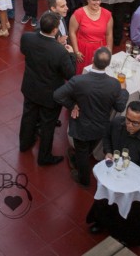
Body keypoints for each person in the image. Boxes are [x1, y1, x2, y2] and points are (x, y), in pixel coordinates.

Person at [85, 101, 140, 244]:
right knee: (104, 201)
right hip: (113, 175)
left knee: (130, 212)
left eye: (135, 123)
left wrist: (130, 176)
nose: (129, 125)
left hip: (130, 185)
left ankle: (125, 236)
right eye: (128, 119)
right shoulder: (117, 123)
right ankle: (101, 222)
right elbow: (106, 137)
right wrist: (108, 152)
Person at [53, 48, 128, 187]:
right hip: (100, 127)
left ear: (93, 59)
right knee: (87, 150)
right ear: (108, 64)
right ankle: (78, 160)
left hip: (81, 125)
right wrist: (123, 91)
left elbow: (57, 95)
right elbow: (120, 107)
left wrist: (72, 105)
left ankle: (84, 179)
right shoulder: (114, 84)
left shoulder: (78, 80)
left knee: (82, 151)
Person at [19, 12, 76, 166]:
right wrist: (71, 55)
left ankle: (24, 144)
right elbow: (70, 73)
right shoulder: (60, 51)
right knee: (48, 125)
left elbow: (24, 51)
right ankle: (44, 157)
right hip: (50, 94)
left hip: (30, 87)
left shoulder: (27, 37)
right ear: (55, 30)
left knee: (28, 117)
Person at [70, 0, 114, 69]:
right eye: (94, 0)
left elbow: (109, 34)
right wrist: (76, 51)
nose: (97, 3)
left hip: (100, 51)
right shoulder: (78, 13)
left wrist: (109, 51)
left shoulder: (107, 14)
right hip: (83, 51)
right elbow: (72, 32)